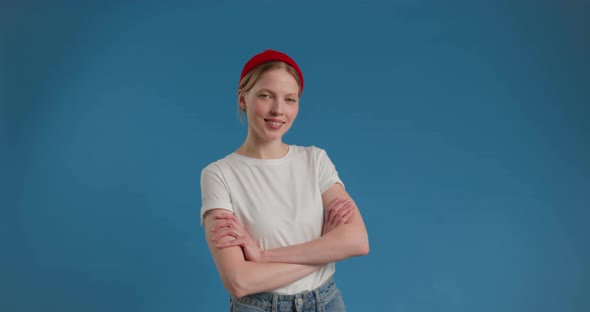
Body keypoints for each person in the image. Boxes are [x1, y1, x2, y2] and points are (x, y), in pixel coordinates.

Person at [200, 49, 369, 311]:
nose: (278, 110)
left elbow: (357, 241)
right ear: (243, 99)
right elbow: (239, 281)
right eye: (266, 96)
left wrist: (263, 256)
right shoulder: (219, 174)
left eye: (290, 99)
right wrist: (324, 251)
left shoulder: (315, 160)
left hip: (325, 302)